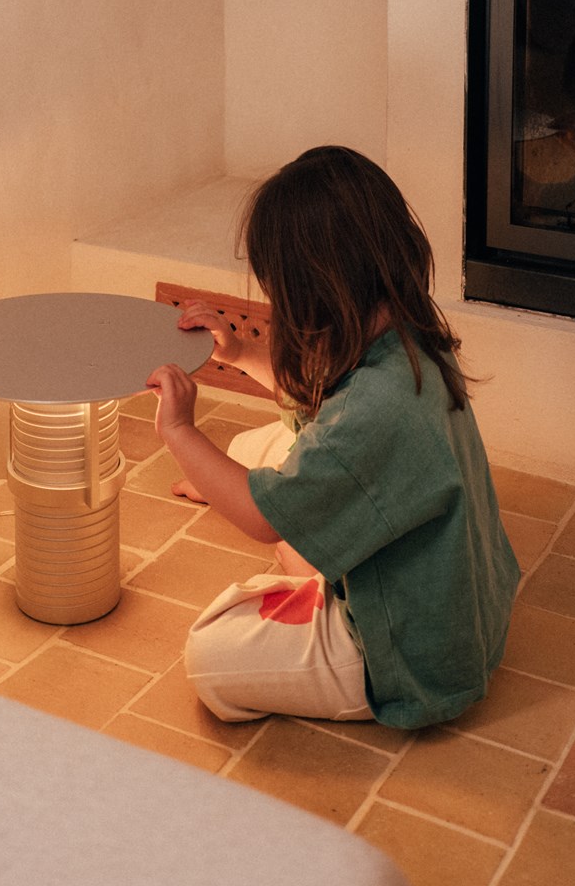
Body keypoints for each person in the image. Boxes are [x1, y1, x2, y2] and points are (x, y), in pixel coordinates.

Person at [146, 145, 519, 727]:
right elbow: (317, 400)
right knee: (260, 448)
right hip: (465, 605)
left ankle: (317, 587)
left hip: (414, 654)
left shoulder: (376, 409)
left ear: (309, 289)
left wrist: (179, 430)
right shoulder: (408, 332)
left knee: (208, 658)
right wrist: (241, 351)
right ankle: (311, 540)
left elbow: (260, 517)